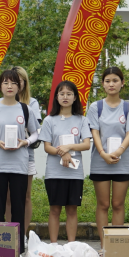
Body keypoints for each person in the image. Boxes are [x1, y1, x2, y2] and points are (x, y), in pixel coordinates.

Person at [0, 68, 39, 252]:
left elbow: (36, 133)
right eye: (6, 82)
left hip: (20, 165)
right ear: (0, 86)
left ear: (20, 86)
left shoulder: (25, 109)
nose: (10, 86)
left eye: (14, 83)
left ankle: (18, 250)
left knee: (18, 209)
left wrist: (25, 142)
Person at [40, 81, 92, 242]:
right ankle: (54, 245)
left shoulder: (81, 120)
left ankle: (71, 245)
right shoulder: (49, 120)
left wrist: (68, 147)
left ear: (75, 97)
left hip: (74, 173)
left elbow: (86, 144)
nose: (65, 97)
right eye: (62, 94)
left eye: (69, 94)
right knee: (54, 209)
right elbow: (47, 147)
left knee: (72, 210)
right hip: (54, 173)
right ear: (56, 97)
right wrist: (63, 154)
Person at [88, 67, 129, 240]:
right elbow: (94, 132)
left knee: (117, 203)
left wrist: (118, 151)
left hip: (122, 161)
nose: (111, 84)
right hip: (100, 160)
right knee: (103, 204)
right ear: (102, 84)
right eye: (107, 81)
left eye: (115, 80)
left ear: (122, 83)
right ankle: (103, 245)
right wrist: (103, 153)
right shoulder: (95, 107)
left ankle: (115, 242)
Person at [4, 66, 41, 236]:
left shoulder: (31, 103)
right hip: (5, 155)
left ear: (24, 83)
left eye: (19, 80)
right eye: (10, 80)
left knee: (25, 196)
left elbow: (36, 132)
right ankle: (9, 235)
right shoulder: (0, 102)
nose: (14, 84)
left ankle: (23, 235)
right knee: (8, 198)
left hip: (26, 156)